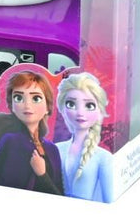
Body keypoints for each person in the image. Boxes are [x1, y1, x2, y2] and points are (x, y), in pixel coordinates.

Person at [0, 70, 64, 195]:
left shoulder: (53, 150)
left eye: (36, 98)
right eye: (18, 98)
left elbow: (59, 195)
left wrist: (42, 174)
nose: (27, 105)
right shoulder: (11, 141)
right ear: (12, 106)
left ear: (47, 107)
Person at [56, 72, 113, 202]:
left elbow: (109, 200)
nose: (80, 113)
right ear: (62, 109)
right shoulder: (56, 149)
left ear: (99, 111)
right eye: (71, 104)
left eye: (89, 106)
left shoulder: (103, 158)